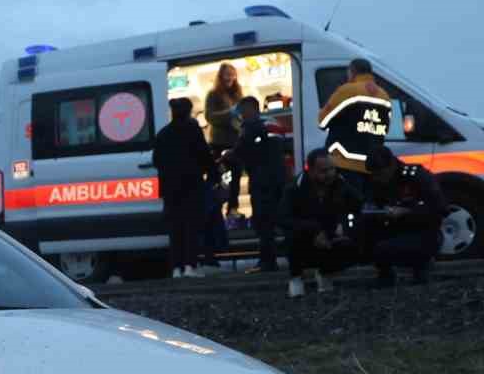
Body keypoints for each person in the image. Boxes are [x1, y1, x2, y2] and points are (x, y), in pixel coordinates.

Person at [360, 143, 445, 286]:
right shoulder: (375, 182)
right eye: (374, 175)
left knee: (386, 248)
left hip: (420, 231)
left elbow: (439, 208)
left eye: (381, 174)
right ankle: (385, 274)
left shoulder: (415, 176)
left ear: (391, 166)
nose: (377, 178)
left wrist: (407, 212)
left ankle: (421, 266)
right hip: (391, 229)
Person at [152, 97, 217, 278]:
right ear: (188, 111)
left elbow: (156, 160)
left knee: (175, 229)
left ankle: (176, 268)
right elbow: (204, 155)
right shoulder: (192, 130)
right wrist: (213, 175)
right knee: (191, 227)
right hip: (191, 186)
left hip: (170, 189)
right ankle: (190, 265)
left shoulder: (163, 133)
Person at [223, 95, 288, 273]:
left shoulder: (251, 126)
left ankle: (267, 262)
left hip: (261, 180)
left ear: (250, 109)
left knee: (263, 222)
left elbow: (241, 150)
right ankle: (295, 256)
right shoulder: (272, 122)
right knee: (282, 219)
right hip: (279, 177)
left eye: (242, 111)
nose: (241, 116)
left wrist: (227, 155)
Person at [284, 147, 360, 297]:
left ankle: (326, 272)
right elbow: (283, 218)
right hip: (304, 236)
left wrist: (344, 223)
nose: (330, 174)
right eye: (324, 171)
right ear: (311, 170)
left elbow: (358, 204)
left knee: (353, 244)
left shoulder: (340, 184)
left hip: (331, 234)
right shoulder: (295, 188)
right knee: (293, 237)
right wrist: (313, 231)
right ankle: (296, 277)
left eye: (332, 169)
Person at [318, 57, 392, 176]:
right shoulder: (384, 96)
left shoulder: (347, 91)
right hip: (373, 165)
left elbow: (322, 121)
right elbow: (385, 129)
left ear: (352, 71)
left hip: (345, 162)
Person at [204, 62, 243, 156]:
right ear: (221, 76)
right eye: (227, 75)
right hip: (220, 142)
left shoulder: (237, 93)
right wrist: (230, 112)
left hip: (236, 139)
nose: (230, 78)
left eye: (233, 75)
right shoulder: (213, 94)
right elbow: (209, 116)